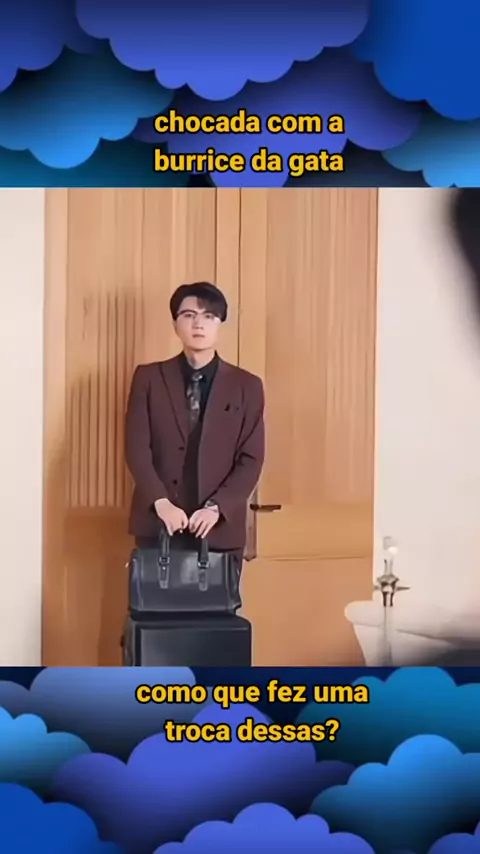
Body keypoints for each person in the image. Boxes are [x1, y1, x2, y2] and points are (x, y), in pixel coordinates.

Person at [125, 281, 265, 561]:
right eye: (189, 315)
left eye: (208, 316)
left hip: (219, 527)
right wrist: (161, 502)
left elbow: (251, 459)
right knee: (151, 591)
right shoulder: (148, 378)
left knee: (219, 593)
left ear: (220, 324)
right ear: (175, 324)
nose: (198, 324)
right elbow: (136, 448)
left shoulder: (247, 385)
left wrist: (216, 507)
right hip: (159, 524)